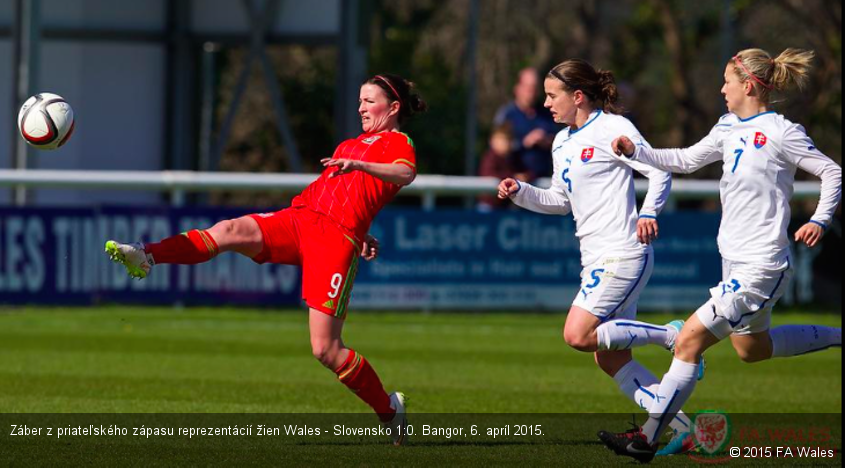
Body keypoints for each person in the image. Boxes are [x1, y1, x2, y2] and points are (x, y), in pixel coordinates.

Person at [104, 73, 427, 446]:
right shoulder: (350, 144)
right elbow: (344, 195)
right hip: (301, 219)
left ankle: (390, 411)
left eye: (369, 101)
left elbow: (406, 173)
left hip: (334, 242)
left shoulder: (397, 142)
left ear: (394, 107)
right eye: (359, 101)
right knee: (230, 230)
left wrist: (360, 175)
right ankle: (148, 256)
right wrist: (364, 223)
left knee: (325, 349)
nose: (361, 108)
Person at [599, 48, 843, 463]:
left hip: (762, 265)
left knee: (688, 342)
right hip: (734, 263)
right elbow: (686, 160)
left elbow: (832, 171)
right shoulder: (728, 127)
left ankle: (647, 439)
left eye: (727, 80)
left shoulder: (782, 131)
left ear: (747, 85)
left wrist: (819, 219)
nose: (721, 88)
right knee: (753, 350)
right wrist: (636, 152)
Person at [498, 59, 698, 445]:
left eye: (552, 95)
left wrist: (650, 211)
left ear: (577, 96)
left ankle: (670, 335)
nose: (545, 103)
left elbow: (658, 171)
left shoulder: (612, 127)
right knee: (609, 357)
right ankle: (680, 427)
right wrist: (520, 192)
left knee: (577, 334)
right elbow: (560, 200)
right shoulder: (562, 141)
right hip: (596, 258)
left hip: (623, 253)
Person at [494, 67, 559, 180]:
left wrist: (547, 142)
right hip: (514, 182)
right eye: (528, 87)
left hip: (543, 182)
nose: (531, 92)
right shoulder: (507, 115)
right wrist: (524, 143)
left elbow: (560, 141)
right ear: (517, 88)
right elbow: (496, 148)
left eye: (534, 88)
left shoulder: (549, 113)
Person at [478, 125, 520, 211]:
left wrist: (526, 176)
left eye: (507, 140)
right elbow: (489, 175)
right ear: (492, 141)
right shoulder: (490, 157)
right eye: (501, 140)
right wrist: (514, 177)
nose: (505, 143)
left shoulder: (514, 157)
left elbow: (527, 172)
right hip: (489, 205)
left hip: (506, 206)